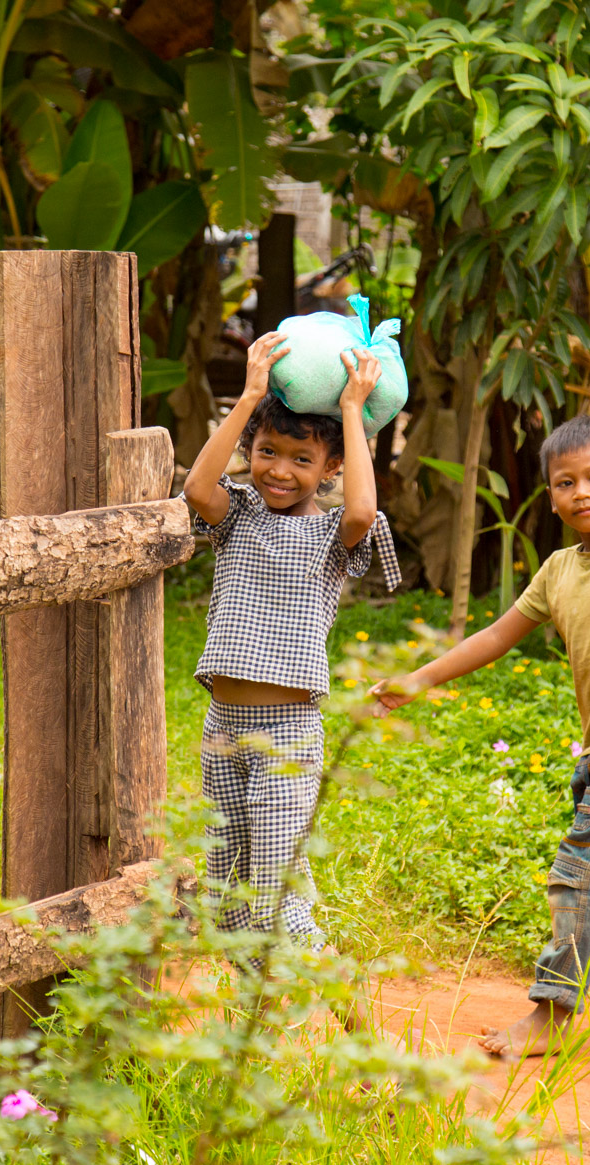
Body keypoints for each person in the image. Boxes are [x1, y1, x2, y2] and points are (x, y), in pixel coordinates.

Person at [370, 414, 590, 1058]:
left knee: (577, 875)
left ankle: (553, 1012)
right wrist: (418, 679)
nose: (581, 492)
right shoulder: (558, 569)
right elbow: (496, 637)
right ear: (550, 496)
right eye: (565, 482)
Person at [181, 330, 400, 972]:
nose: (280, 470)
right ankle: (260, 1028)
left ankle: (350, 1015)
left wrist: (353, 412)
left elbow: (362, 507)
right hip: (223, 729)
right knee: (226, 902)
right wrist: (250, 397)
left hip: (287, 736)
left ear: (329, 468)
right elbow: (198, 488)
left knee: (277, 900)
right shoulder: (238, 514)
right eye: (268, 453)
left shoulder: (335, 534)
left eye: (302, 460)